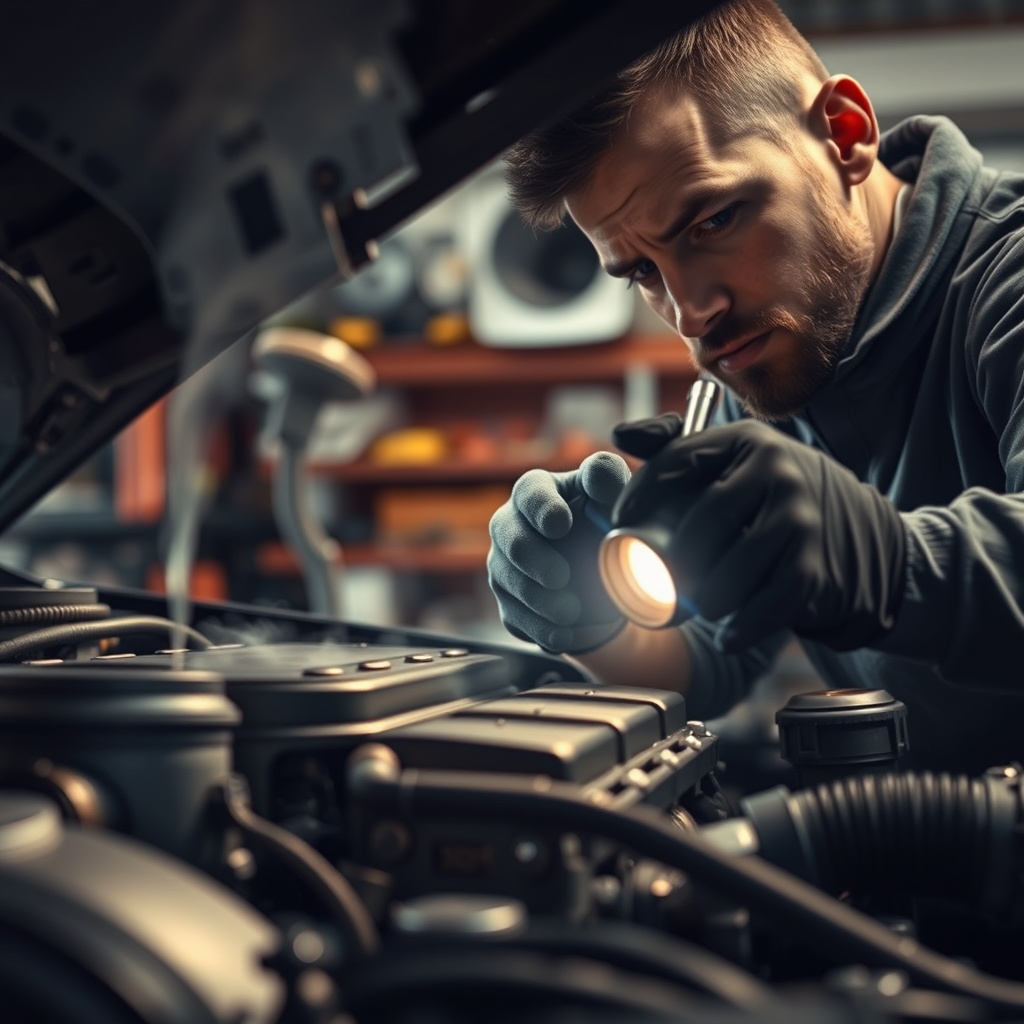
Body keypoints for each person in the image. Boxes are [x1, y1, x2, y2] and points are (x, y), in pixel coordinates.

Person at [486, 0, 1024, 774]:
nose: (690, 313)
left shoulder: (1005, 281)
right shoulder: (757, 362)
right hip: (930, 855)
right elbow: (710, 658)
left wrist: (886, 562)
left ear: (844, 134)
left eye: (712, 221)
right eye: (642, 271)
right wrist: (588, 615)